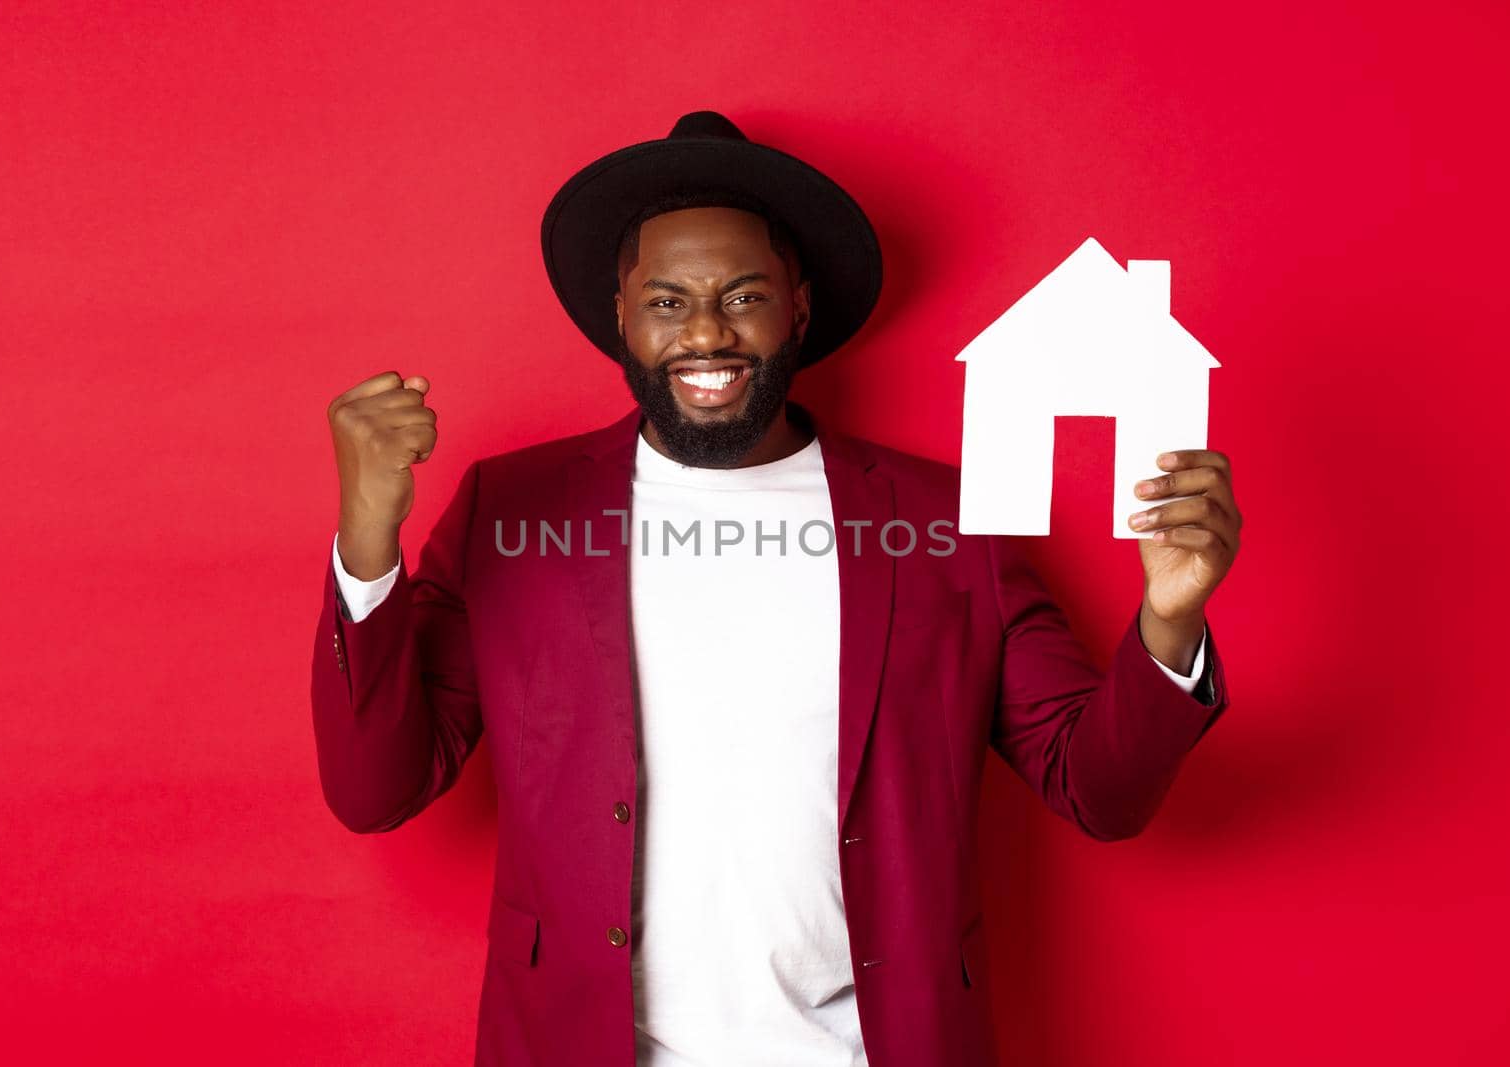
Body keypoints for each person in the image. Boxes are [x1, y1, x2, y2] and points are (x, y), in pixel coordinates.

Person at [310, 110, 1240, 1067]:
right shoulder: (511, 510)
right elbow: (376, 789)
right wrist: (368, 540)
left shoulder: (947, 522)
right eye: (668, 301)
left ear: (798, 306)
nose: (706, 331)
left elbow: (1099, 790)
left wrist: (1170, 621)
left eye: (743, 295)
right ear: (620, 314)